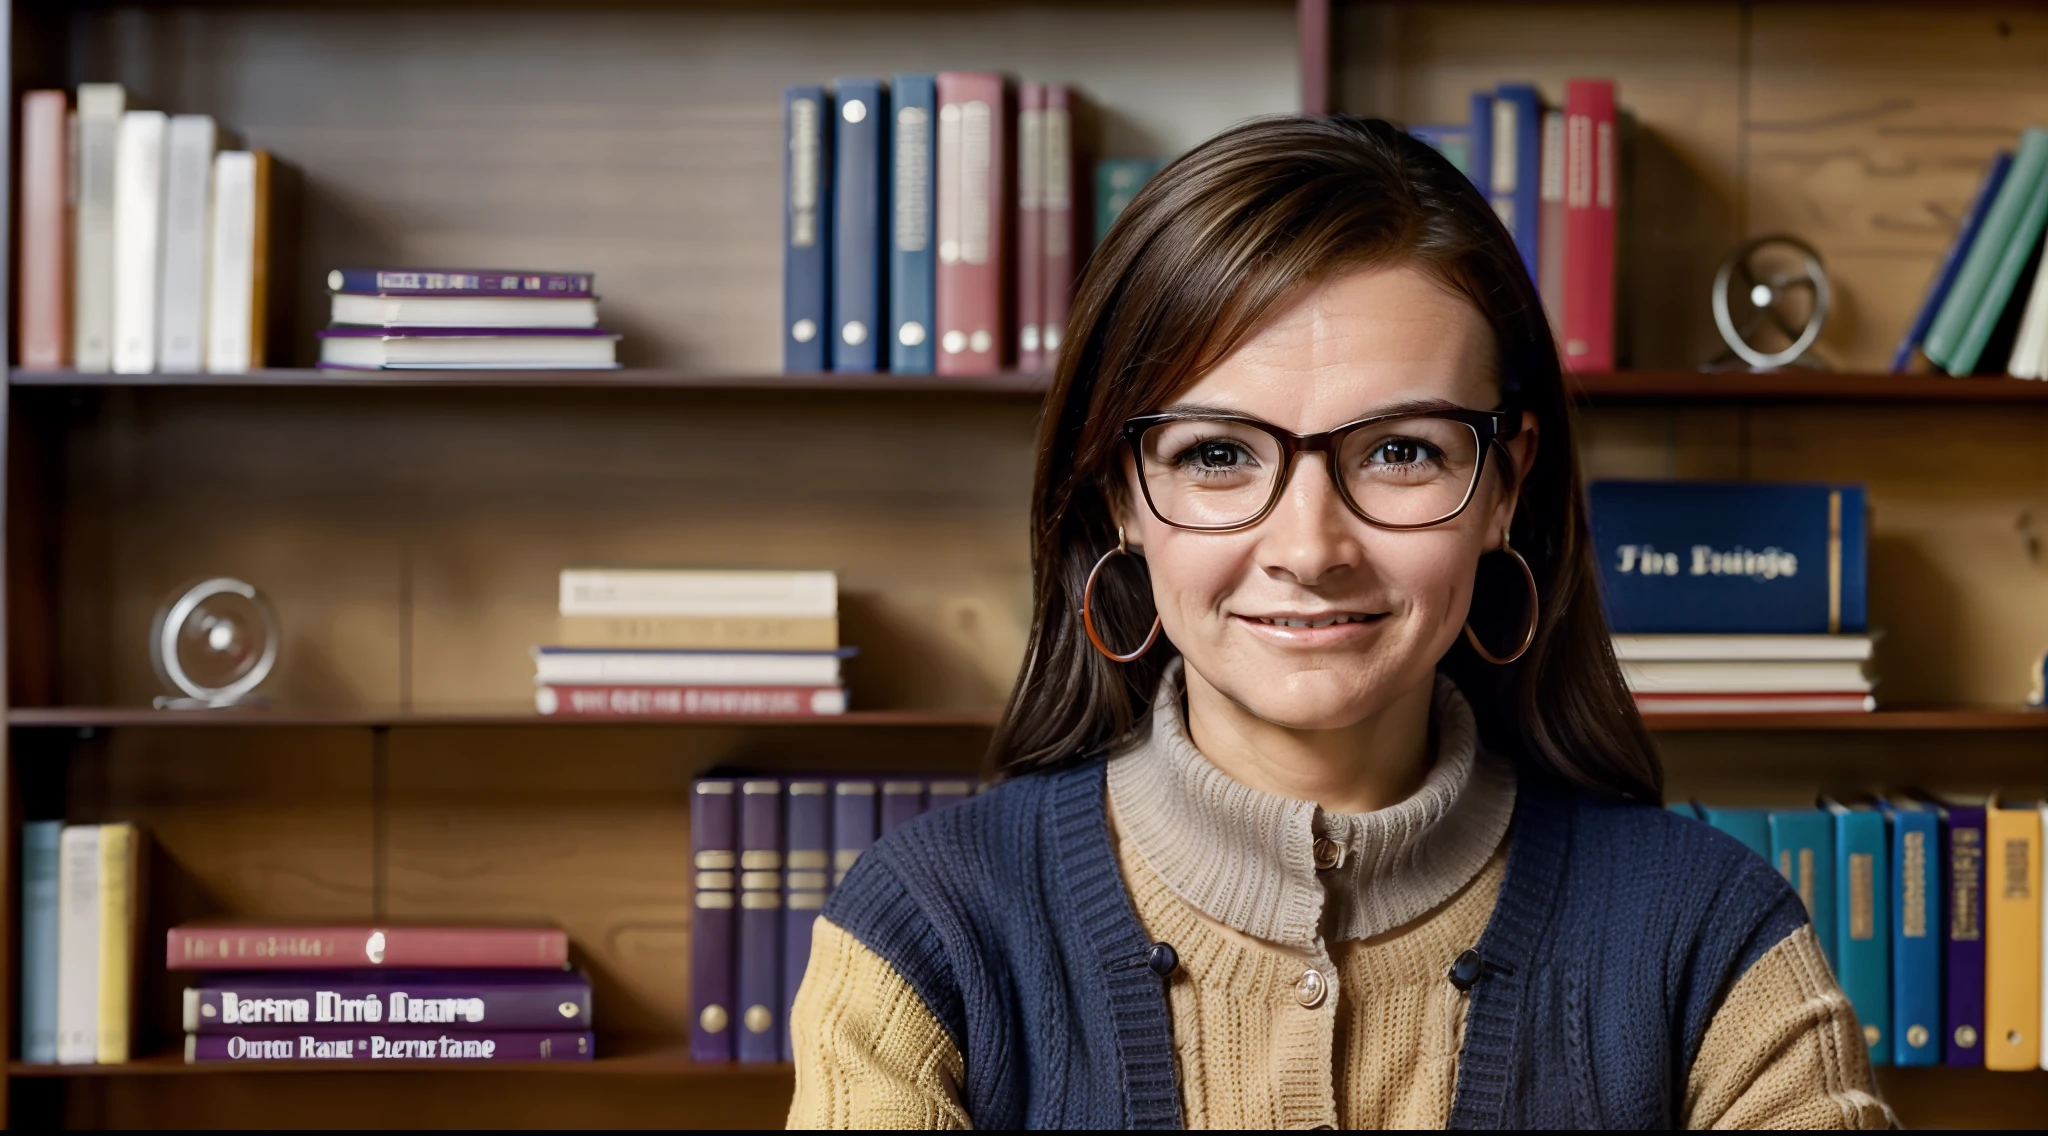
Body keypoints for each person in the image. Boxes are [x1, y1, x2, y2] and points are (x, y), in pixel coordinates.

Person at [785, 114, 1888, 1130]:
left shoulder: (1714, 938)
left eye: (1401, 449)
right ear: (1119, 491)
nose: (1309, 548)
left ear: (1502, 484)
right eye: (1216, 454)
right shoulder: (924, 934)